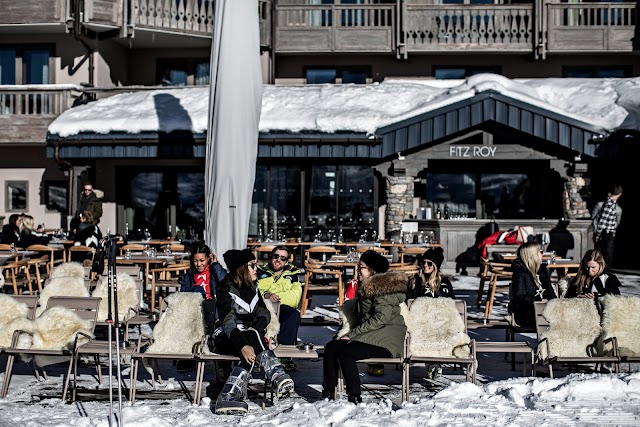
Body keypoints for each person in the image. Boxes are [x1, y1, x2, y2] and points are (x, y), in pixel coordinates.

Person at [214, 248, 293, 415]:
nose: (256, 269)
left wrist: (253, 332)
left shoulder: (253, 287)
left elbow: (264, 313)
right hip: (226, 336)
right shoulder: (224, 289)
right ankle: (276, 373)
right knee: (251, 342)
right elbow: (227, 323)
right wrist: (243, 344)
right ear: (241, 269)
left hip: (249, 335)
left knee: (253, 339)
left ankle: (228, 396)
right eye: (252, 265)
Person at [321, 251, 406, 404]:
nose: (358, 270)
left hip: (386, 339)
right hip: (372, 335)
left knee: (347, 353)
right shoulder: (367, 287)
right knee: (332, 347)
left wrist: (353, 334)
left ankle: (354, 396)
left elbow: (381, 318)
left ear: (372, 270)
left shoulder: (383, 291)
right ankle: (328, 392)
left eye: (361, 267)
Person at [257, 246, 302, 347]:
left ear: (286, 262)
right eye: (276, 256)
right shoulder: (258, 272)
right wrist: (266, 295)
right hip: (262, 306)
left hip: (283, 307)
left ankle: (285, 354)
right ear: (270, 257)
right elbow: (254, 290)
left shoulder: (293, 275)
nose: (278, 260)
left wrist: (272, 294)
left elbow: (294, 298)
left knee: (293, 315)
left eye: (283, 258)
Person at [508, 242, 556, 329]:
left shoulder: (543, 271)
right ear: (532, 255)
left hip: (545, 311)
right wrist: (538, 300)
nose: (543, 254)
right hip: (527, 313)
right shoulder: (520, 273)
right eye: (540, 252)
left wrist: (555, 304)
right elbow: (518, 297)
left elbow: (551, 293)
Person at [592, 184, 623, 268]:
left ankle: (601, 269)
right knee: (604, 253)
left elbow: (594, 218)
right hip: (606, 232)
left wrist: (596, 232)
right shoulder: (617, 209)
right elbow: (617, 223)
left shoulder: (602, 205)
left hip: (603, 232)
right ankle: (603, 269)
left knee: (601, 253)